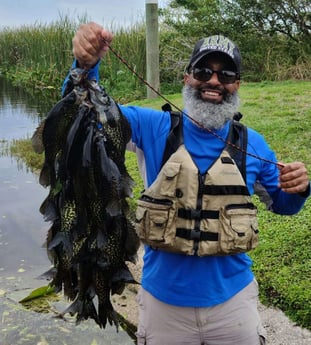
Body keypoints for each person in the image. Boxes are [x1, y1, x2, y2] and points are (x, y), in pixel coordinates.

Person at [64, 22, 310, 345]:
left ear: (238, 84)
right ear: (186, 76)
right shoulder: (153, 127)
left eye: (226, 75)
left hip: (233, 306)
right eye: (203, 70)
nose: (213, 81)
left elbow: (283, 205)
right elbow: (84, 119)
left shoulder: (255, 146)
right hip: (164, 307)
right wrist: (84, 66)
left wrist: (300, 189)